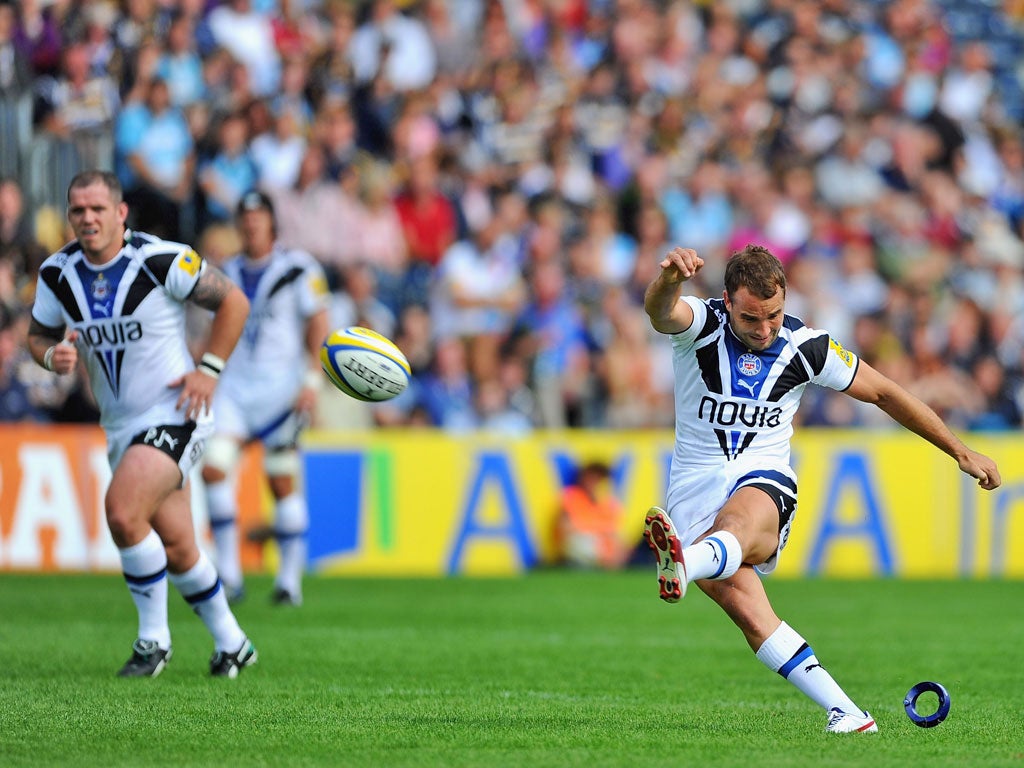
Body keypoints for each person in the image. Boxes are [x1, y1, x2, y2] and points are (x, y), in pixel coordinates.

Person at [641, 244, 1001, 733]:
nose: (765, 329)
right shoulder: (700, 327)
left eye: (774, 315)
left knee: (739, 523)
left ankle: (684, 562)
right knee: (750, 613)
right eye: (751, 318)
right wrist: (668, 280)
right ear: (726, 301)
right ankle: (850, 714)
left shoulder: (806, 347)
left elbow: (885, 392)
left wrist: (960, 451)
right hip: (692, 489)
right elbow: (660, 311)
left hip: (762, 478)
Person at [26, 170, 256, 678]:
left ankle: (153, 642)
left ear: (120, 212)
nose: (87, 218)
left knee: (123, 512)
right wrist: (50, 358)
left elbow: (234, 301)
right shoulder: (57, 274)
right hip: (122, 425)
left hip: (176, 413)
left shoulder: (159, 259)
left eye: (97, 209)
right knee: (177, 547)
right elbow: (38, 333)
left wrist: (209, 371)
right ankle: (232, 643)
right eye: (77, 210)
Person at [200, 190, 329, 607]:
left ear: (272, 222)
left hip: (281, 390)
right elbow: (210, 326)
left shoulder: (299, 268)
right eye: (246, 216)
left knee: (281, 478)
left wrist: (312, 379)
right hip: (235, 389)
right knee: (214, 470)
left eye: (259, 216)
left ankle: (289, 580)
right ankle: (230, 573)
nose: (252, 224)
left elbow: (318, 324)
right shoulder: (225, 271)